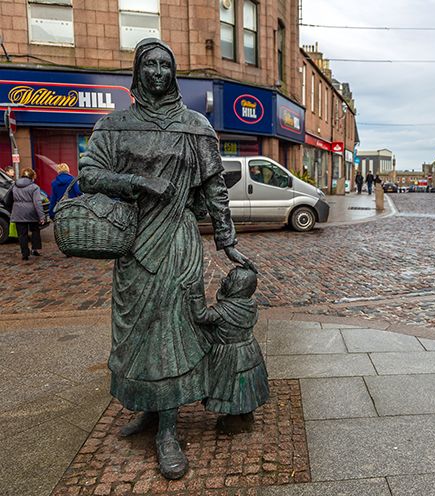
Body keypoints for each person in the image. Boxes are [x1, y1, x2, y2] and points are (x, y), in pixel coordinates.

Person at [78, 39, 256, 480]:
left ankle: (169, 430)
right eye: (150, 64)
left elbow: (215, 188)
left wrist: (226, 240)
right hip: (133, 245)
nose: (158, 71)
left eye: (165, 65)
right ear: (137, 72)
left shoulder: (194, 125)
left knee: (172, 334)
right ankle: (147, 409)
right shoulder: (114, 125)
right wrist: (135, 181)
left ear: (173, 73)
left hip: (177, 242)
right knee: (135, 333)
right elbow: (88, 174)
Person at [190, 267, 269, 435]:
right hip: (249, 350)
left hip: (229, 354)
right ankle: (247, 415)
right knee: (246, 383)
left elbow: (200, 316)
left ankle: (233, 420)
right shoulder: (251, 305)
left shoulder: (222, 311)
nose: (224, 281)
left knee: (231, 385)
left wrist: (196, 293)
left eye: (229, 279)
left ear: (236, 287)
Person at [3, 168, 45, 260]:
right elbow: (37, 203)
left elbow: (7, 200)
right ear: (32, 176)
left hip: (18, 213)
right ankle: (35, 249)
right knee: (35, 230)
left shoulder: (14, 185)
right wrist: (42, 216)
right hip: (32, 213)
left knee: (22, 234)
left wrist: (12, 210)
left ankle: (25, 254)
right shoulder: (34, 187)